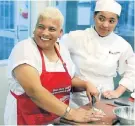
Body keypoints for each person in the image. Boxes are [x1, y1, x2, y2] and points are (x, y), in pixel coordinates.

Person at [4, 7, 105, 125]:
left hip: (54, 118)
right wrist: (72, 113)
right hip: (25, 120)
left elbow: (68, 79)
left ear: (60, 33)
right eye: (41, 27)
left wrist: (85, 84)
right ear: (34, 29)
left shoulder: (61, 50)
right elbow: (34, 91)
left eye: (52, 29)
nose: (45, 33)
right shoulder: (24, 49)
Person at [60, 0, 135, 108]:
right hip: (75, 100)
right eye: (101, 18)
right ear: (94, 17)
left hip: (106, 100)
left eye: (111, 21)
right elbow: (56, 55)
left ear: (117, 22)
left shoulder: (122, 45)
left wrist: (118, 92)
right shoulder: (75, 38)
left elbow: (132, 71)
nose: (105, 25)